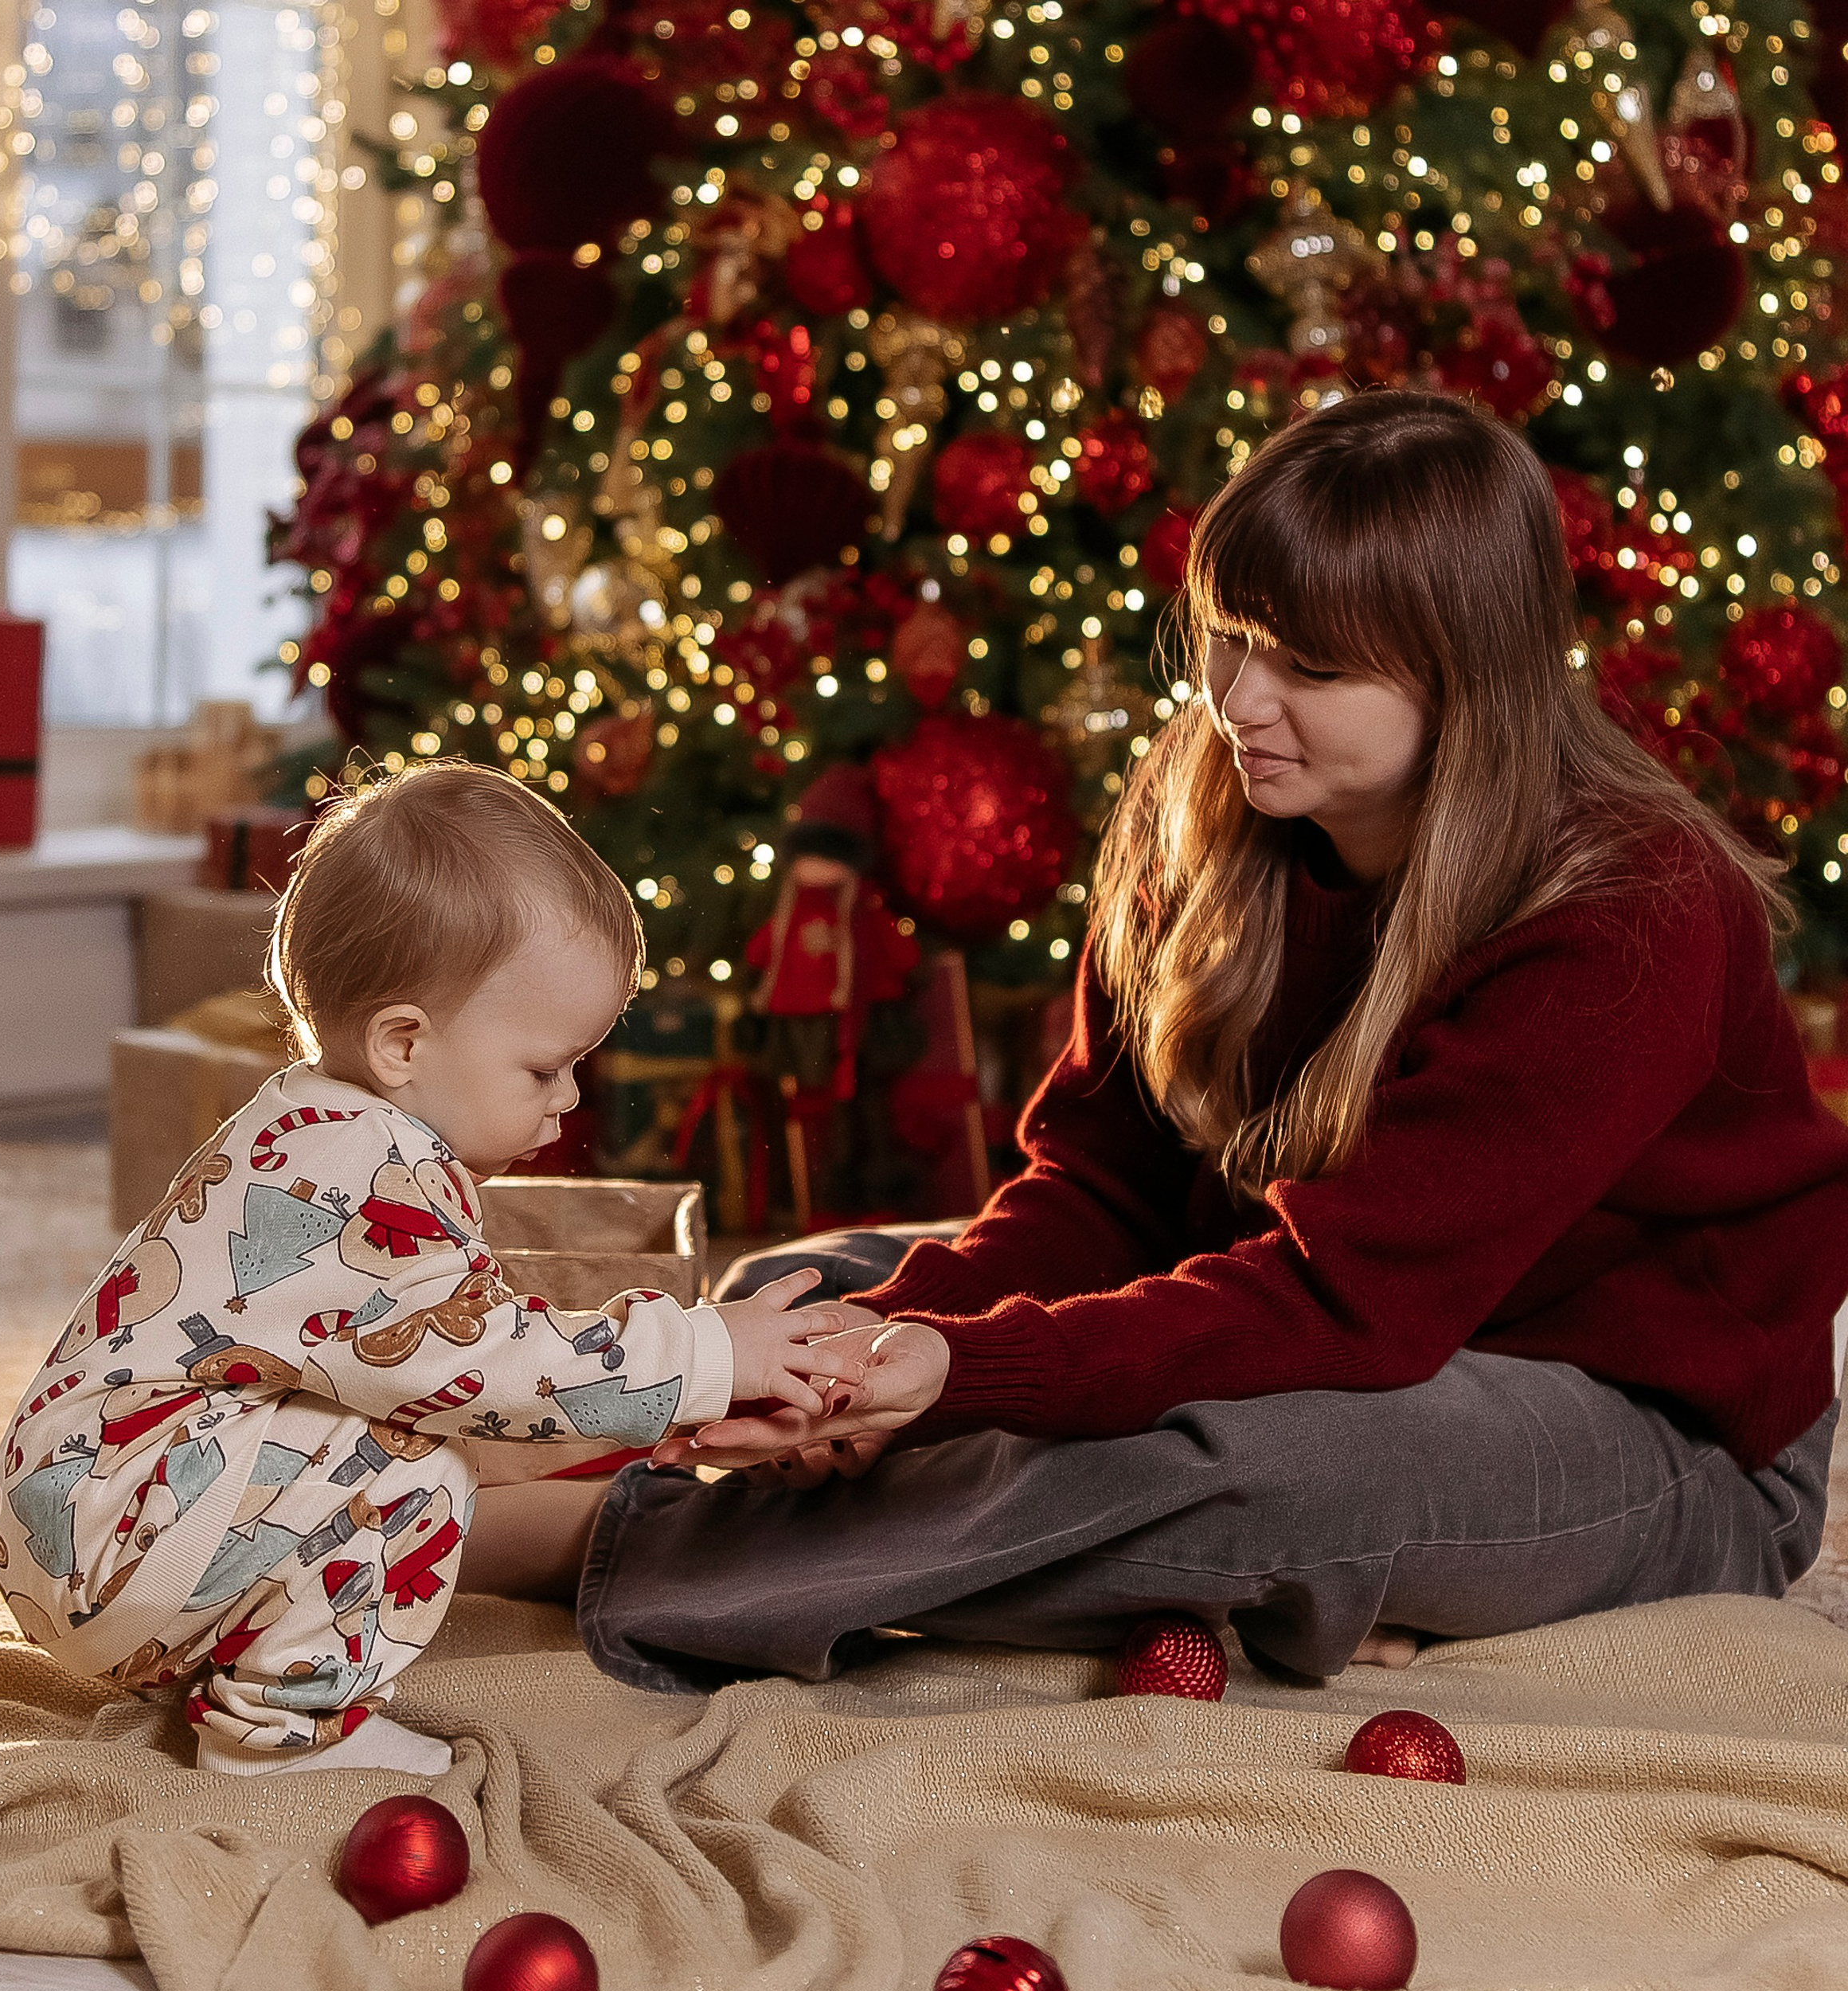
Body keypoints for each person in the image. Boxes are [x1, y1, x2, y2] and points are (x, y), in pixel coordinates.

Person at [562, 389, 1848, 1694]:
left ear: (1467, 677)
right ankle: (741, 1461)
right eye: (1229, 638)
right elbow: (1100, 1191)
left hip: (1649, 1428)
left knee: (1260, 1472)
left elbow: (1344, 1312)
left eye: (1311, 667)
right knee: (810, 1291)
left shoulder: (1631, 910)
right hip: (1300, 1305)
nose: (1239, 698)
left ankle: (584, 1539)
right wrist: (878, 1349)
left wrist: (958, 1375)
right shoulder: (1216, 796)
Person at [0, 764, 842, 1774]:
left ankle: (238, 1633)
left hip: (88, 1515)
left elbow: (455, 1387)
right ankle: (283, 1732)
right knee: (412, 1466)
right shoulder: (365, 1176)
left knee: (410, 1433)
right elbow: (495, 1370)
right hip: (113, 1530)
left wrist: (676, 1411)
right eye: (544, 1068)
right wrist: (702, 1351)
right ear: (403, 1042)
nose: (568, 1100)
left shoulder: (317, 1123)